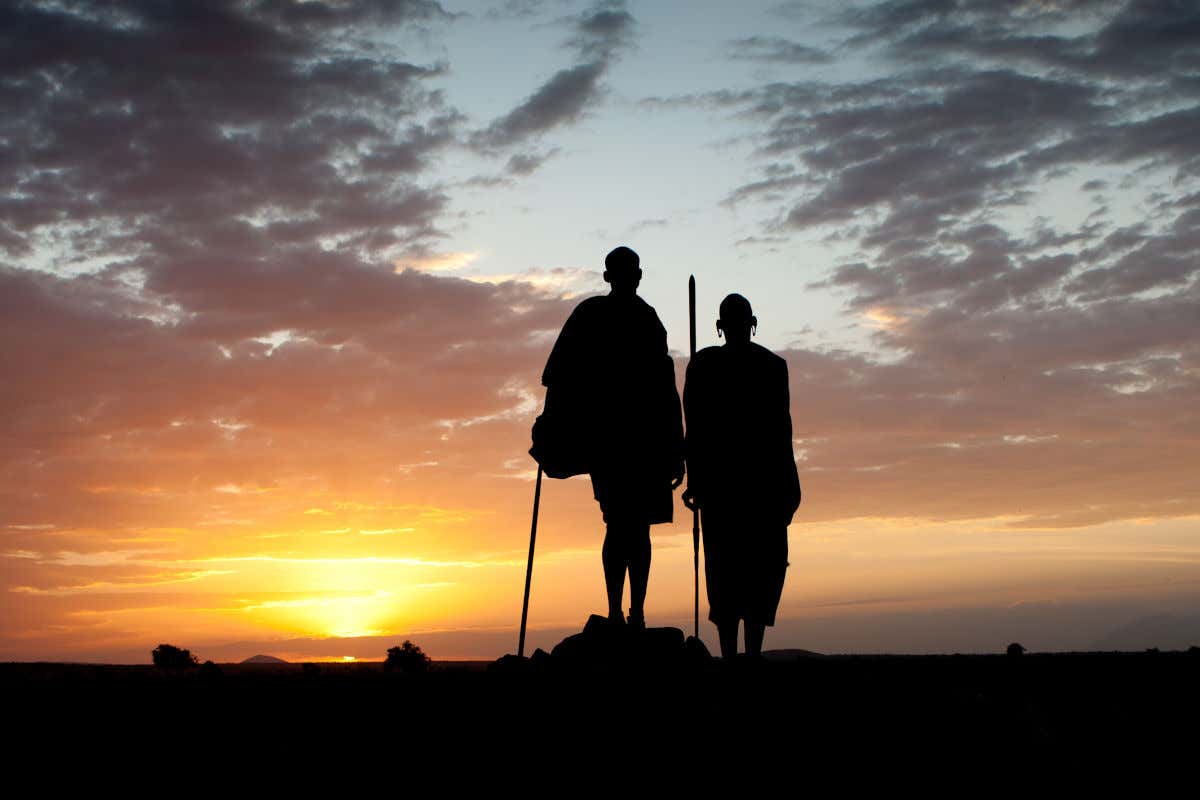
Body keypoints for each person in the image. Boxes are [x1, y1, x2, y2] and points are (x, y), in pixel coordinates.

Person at [534, 246, 684, 629]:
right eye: (624, 272)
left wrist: (675, 448)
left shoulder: (649, 320)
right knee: (620, 525)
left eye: (632, 272)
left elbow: (665, 384)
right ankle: (618, 610)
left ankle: (635, 611)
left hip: (645, 440)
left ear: (636, 276)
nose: (629, 278)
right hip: (611, 441)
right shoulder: (592, 314)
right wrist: (551, 424)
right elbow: (559, 373)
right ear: (612, 277)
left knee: (637, 526)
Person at [682, 293, 800, 658]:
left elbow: (781, 431)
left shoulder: (762, 367)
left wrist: (695, 479)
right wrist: (695, 479)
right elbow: (696, 429)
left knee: (745, 570)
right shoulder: (712, 366)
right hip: (735, 487)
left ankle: (741, 657)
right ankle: (740, 657)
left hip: (746, 487)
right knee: (734, 569)